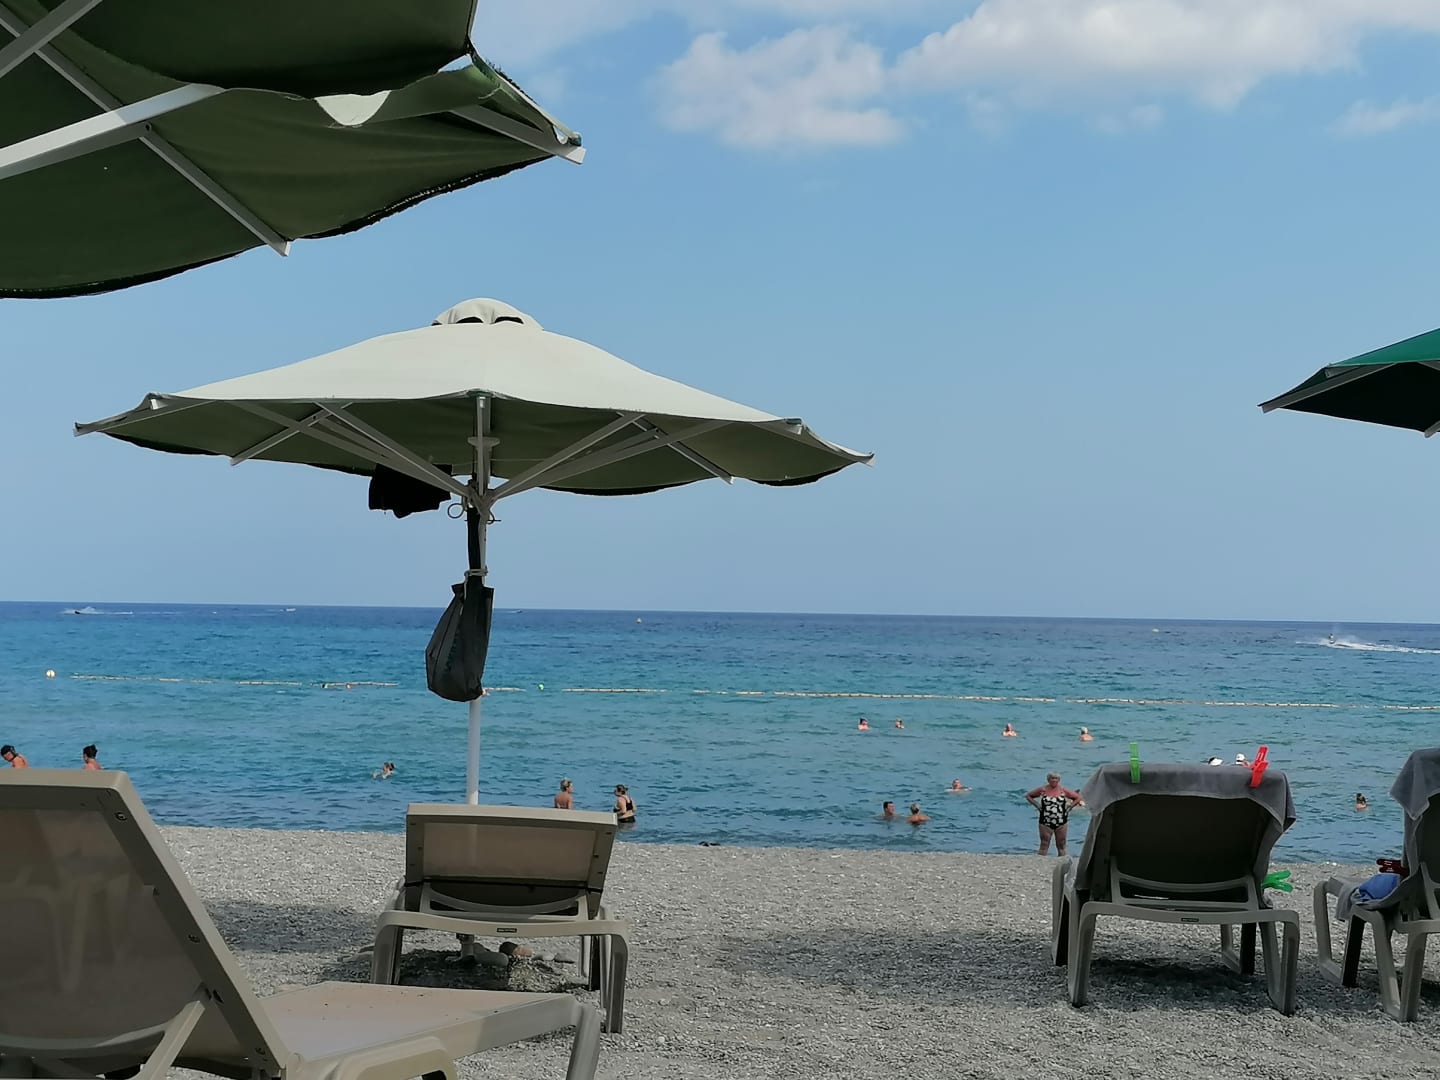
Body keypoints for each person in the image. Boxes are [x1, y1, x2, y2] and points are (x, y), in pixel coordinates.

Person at [1025, 772, 1083, 856]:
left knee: (1061, 844)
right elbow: (1028, 795)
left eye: (1056, 778)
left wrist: (1070, 807)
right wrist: (1037, 805)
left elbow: (1078, 797)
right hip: (1045, 821)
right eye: (1052, 778)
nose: (1054, 780)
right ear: (1048, 780)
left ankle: (1062, 861)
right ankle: (1040, 861)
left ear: (1059, 780)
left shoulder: (1063, 790)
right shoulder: (1043, 790)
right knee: (1044, 844)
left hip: (1061, 821)